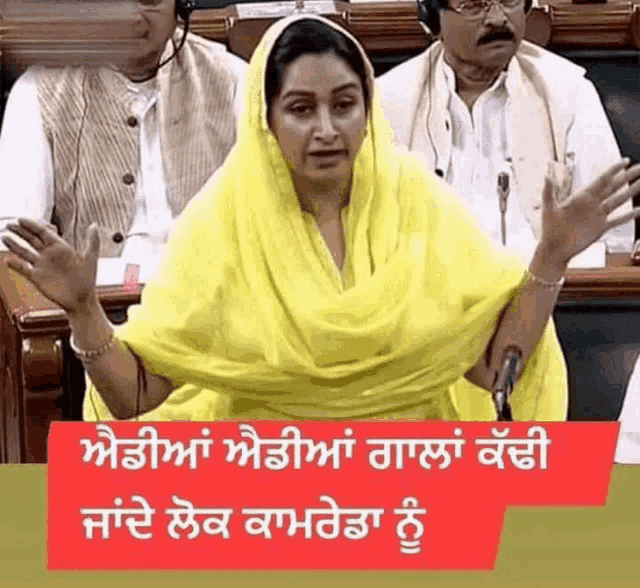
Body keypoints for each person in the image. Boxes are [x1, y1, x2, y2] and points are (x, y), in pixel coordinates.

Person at [3, 14, 640, 424]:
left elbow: (496, 369)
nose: (327, 130)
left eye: (344, 104)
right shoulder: (218, 228)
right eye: (301, 109)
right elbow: (137, 399)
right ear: (266, 121)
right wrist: (86, 311)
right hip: (271, 497)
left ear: (370, 110)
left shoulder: (420, 204)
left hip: (410, 485)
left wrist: (550, 259)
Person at [376, 0, 633, 262]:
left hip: (553, 292)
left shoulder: (569, 92)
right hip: (424, 297)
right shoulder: (387, 102)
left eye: (509, 1)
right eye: (475, 5)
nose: (498, 18)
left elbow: (614, 243)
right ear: (433, 17)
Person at [0, 0, 247, 262]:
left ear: (180, 8)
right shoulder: (38, 89)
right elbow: (13, 230)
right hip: (92, 295)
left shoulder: (234, 78)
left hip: (219, 289)